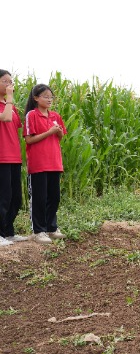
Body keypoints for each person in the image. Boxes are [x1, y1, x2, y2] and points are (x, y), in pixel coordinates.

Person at [23, 84, 67, 244]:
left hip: (54, 162)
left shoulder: (55, 115)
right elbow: (29, 139)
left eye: (51, 97)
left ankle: (51, 228)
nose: (49, 99)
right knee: (39, 198)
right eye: (45, 96)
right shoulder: (32, 115)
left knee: (54, 197)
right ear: (36, 98)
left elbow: (59, 138)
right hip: (39, 163)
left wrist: (59, 132)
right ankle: (38, 231)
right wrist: (49, 132)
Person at [0, 70, 29, 246]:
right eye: (5, 81)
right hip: (1, 157)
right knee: (2, 197)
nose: (10, 85)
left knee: (15, 197)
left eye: (11, 82)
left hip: (14, 157)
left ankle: (8, 232)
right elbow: (6, 118)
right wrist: (9, 99)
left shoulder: (11, 106)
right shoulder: (7, 106)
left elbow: (17, 127)